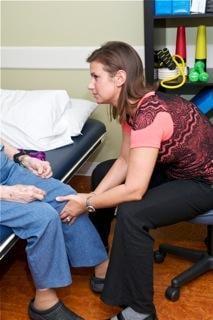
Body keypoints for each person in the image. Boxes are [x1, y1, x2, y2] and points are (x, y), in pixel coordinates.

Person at [56, 41, 213, 320]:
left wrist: (86, 202)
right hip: (178, 169)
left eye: (95, 76)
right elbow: (125, 161)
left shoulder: (149, 115)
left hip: (204, 181)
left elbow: (135, 189)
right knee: (103, 173)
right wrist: (90, 197)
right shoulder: (132, 105)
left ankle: (141, 311)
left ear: (119, 78)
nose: (90, 84)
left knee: (132, 213)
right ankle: (100, 259)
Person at [0, 138, 109, 320]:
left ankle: (103, 268)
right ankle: (44, 304)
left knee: (66, 197)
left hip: (7, 172)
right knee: (43, 217)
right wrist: (9, 193)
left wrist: (23, 158)